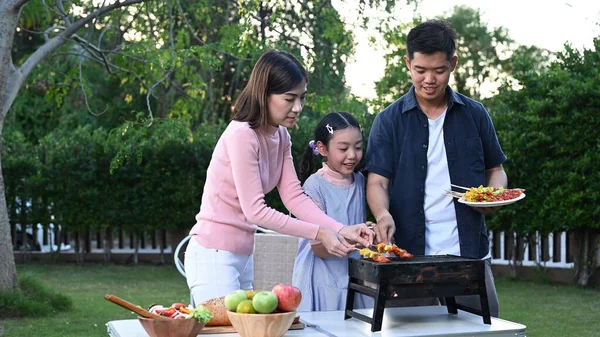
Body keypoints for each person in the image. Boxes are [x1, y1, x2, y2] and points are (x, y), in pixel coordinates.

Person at [184, 50, 374, 305]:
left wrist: (340, 229)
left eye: (302, 98)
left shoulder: (281, 136)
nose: (298, 107)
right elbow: (256, 212)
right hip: (213, 254)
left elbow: (294, 197)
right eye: (289, 98)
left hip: (244, 254)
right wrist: (319, 232)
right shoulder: (242, 134)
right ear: (264, 94)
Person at [364, 20, 506, 317]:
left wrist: (495, 196)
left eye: (439, 70)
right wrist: (382, 214)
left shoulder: (475, 114)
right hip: (409, 257)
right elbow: (377, 182)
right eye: (420, 70)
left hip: (468, 253)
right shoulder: (389, 120)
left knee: (481, 331)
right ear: (408, 63)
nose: (429, 79)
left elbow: (496, 169)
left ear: (453, 64)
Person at [292, 112, 375, 312]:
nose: (352, 155)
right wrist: (361, 239)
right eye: (343, 148)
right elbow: (318, 248)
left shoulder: (361, 181)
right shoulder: (315, 186)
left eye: (358, 147)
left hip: (352, 274)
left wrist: (373, 231)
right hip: (320, 279)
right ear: (322, 148)